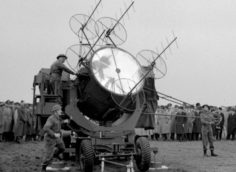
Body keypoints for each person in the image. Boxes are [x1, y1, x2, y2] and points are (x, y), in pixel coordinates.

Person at [41, 104, 65, 172]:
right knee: (48, 155)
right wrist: (54, 134)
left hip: (56, 138)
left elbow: (57, 125)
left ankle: (55, 154)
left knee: (62, 148)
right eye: (60, 110)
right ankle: (44, 167)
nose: (61, 111)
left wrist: (64, 122)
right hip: (50, 138)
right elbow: (45, 128)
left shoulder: (58, 118)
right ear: (55, 111)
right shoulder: (51, 118)